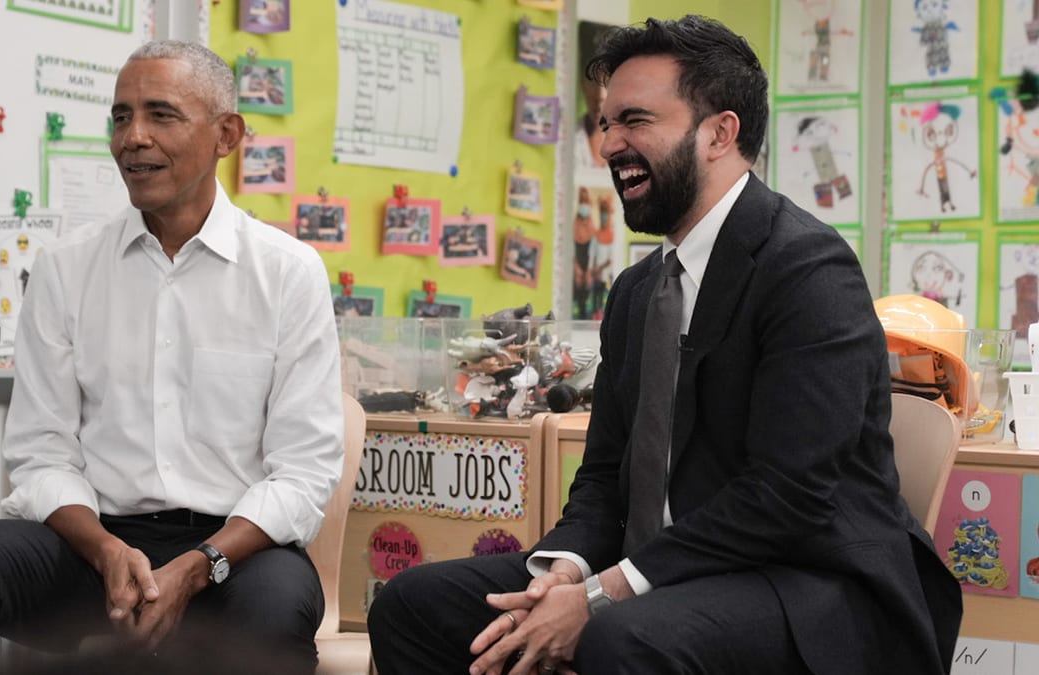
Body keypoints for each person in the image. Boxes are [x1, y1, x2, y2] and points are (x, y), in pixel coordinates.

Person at [368, 15, 961, 675]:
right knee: (412, 603)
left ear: (719, 132)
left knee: (622, 639)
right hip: (661, 571)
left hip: (807, 583)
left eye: (635, 120)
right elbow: (602, 480)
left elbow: (786, 495)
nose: (609, 144)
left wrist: (599, 596)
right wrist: (561, 575)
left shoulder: (806, 268)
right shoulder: (636, 292)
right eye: (604, 125)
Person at [0, 40, 344, 675]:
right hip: (95, 547)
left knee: (275, 613)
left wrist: (196, 568)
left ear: (227, 134)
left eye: (161, 114)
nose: (132, 137)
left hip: (234, 555)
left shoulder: (288, 273)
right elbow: (41, 452)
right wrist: (106, 551)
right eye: (120, 116)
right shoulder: (65, 268)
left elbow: (302, 474)